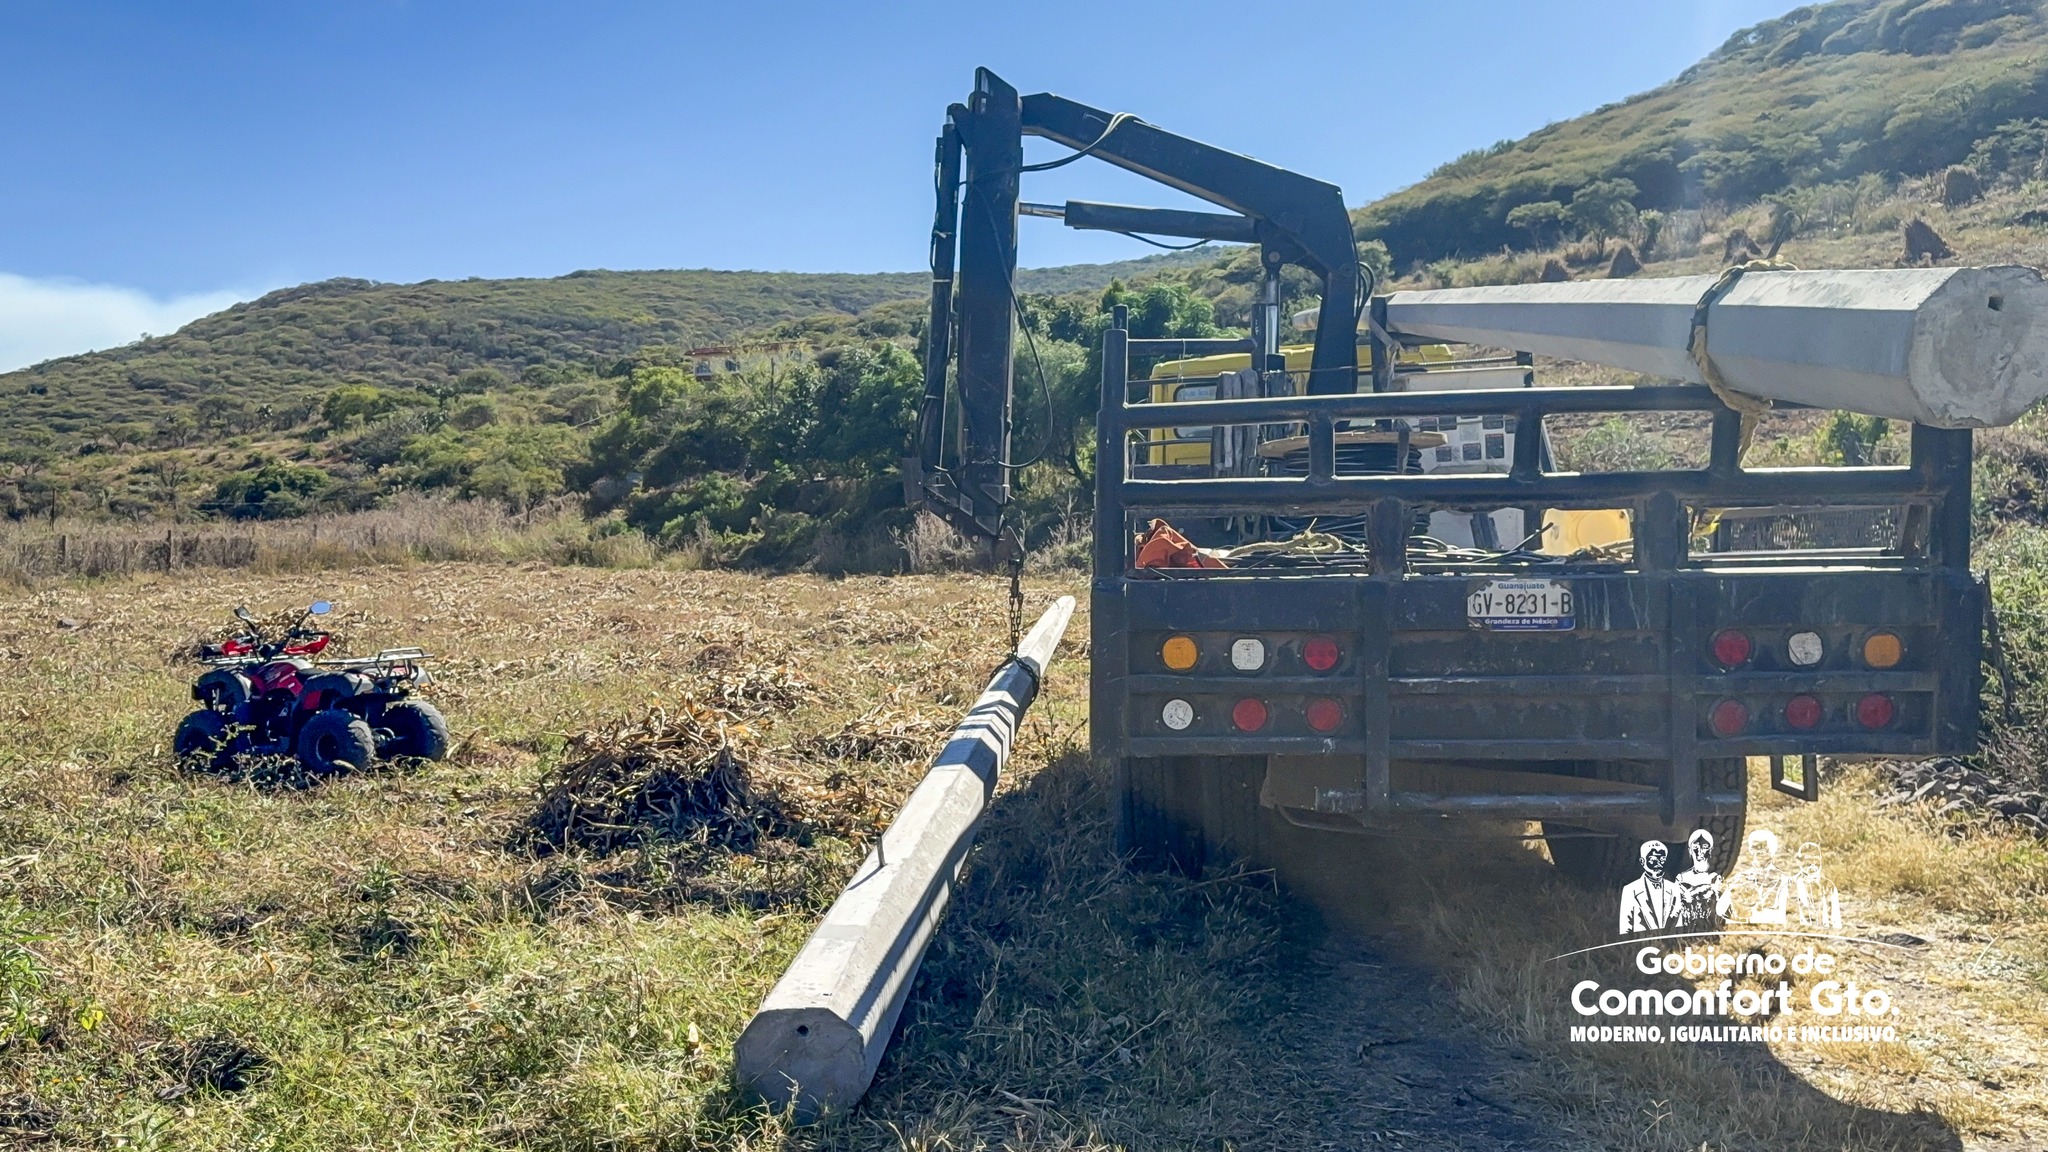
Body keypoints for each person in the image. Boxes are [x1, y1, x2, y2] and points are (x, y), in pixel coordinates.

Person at [1618, 840, 1677, 934]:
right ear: (1642, 861)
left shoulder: (1674, 890)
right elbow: (1626, 926)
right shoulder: (1630, 891)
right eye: (1653, 859)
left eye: (1662, 860)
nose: (1658, 864)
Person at [1671, 829, 1722, 930]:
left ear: (1710, 850)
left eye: (1705, 847)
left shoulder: (1714, 877)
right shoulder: (1681, 877)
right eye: (1695, 847)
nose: (1700, 852)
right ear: (1690, 850)